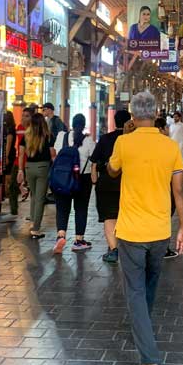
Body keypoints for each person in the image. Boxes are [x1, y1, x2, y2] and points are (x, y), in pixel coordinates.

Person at [107, 92, 183, 365]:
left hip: (130, 231)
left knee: (135, 291)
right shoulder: (170, 147)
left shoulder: (123, 142)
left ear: (132, 114)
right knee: (149, 285)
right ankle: (144, 329)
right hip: (159, 232)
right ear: (156, 114)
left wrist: (124, 146)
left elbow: (111, 170)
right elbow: (179, 190)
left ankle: (148, 358)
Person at [91, 109, 132, 264]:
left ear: (114, 122)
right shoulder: (132, 140)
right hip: (128, 184)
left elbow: (94, 161)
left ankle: (114, 250)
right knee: (126, 216)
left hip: (106, 184)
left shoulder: (105, 139)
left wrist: (94, 178)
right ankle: (127, 249)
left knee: (109, 217)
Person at [52, 113, 97, 254]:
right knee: (81, 208)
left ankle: (61, 235)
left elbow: (55, 153)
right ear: (84, 125)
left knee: (62, 208)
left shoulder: (61, 136)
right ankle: (79, 240)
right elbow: (94, 159)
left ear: (71, 123)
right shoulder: (88, 140)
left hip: (63, 177)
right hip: (82, 178)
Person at [155, 116, 183, 259]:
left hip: (152, 189)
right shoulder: (172, 147)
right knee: (165, 217)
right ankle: (162, 248)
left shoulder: (141, 146)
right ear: (162, 129)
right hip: (168, 188)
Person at [17, 113, 53, 239]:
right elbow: (53, 154)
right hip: (43, 168)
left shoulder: (26, 136)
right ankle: (35, 229)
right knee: (40, 199)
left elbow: (21, 154)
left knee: (33, 195)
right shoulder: (48, 136)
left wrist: (20, 170)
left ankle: (33, 221)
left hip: (29, 168)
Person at [1, 110, 17, 221]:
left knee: (8, 178)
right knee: (7, 178)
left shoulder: (10, 130)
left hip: (9, 155)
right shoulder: (9, 129)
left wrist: (6, 157)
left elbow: (9, 144)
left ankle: (9, 198)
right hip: (8, 154)